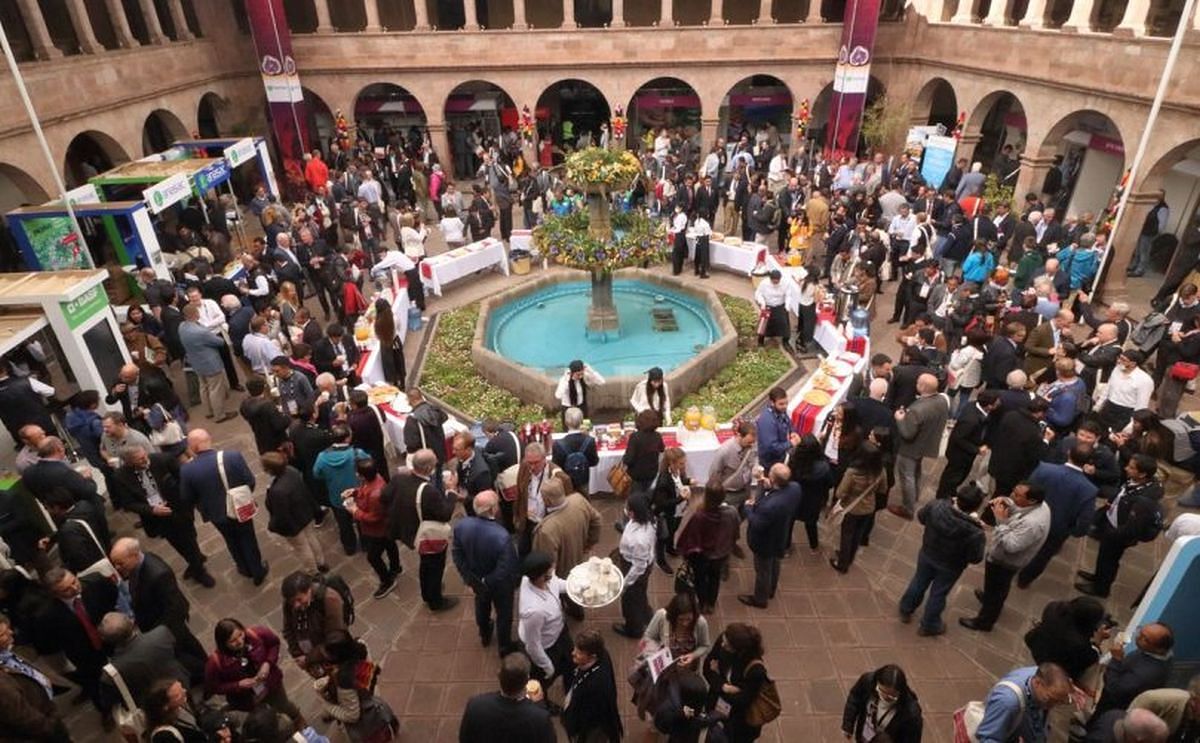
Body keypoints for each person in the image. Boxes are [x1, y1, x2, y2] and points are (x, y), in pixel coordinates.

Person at [108, 537, 207, 681]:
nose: (117, 567)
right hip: (156, 623)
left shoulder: (158, 574)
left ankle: (206, 675)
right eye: (115, 563)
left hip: (168, 628)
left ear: (134, 556)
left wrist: (159, 635)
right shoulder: (138, 565)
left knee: (185, 652)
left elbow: (175, 608)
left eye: (120, 563)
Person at [959, 482, 1052, 632]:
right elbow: (1018, 508)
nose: (1012, 495)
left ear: (1032, 500)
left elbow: (1011, 546)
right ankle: (989, 598)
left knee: (998, 587)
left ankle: (984, 621)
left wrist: (1000, 520)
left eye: (1016, 495)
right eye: (1013, 491)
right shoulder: (1038, 505)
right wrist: (1004, 501)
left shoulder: (1032, 524)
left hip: (1006, 562)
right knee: (995, 586)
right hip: (1004, 557)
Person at [179, 429, 268, 585]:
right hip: (239, 508)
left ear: (194, 447)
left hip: (216, 514)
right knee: (248, 538)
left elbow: (187, 498)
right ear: (209, 439)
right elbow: (250, 481)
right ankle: (257, 571)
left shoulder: (187, 470)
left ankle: (243, 568)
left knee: (230, 540)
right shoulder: (232, 456)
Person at [899, 486, 986, 636]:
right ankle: (929, 624)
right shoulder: (975, 531)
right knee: (938, 593)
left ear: (957, 498)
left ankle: (906, 609)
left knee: (918, 582)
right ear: (976, 506)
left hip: (928, 553)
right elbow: (975, 558)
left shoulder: (937, 506)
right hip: (951, 566)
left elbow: (921, 516)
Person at [32, 567, 117, 715]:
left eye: (74, 581)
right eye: (66, 589)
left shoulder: (95, 582)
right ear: (55, 594)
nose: (75, 588)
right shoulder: (46, 615)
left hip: (111, 640)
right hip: (83, 655)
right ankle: (106, 712)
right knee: (95, 685)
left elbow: (113, 594)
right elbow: (51, 640)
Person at [386, 448, 458, 612]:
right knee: (435, 566)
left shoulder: (399, 478)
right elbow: (445, 514)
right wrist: (451, 491)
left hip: (410, 531)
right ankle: (436, 601)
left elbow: (385, 496)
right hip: (426, 535)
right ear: (428, 468)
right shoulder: (428, 491)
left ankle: (427, 593)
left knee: (425, 564)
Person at [1019, 445, 1099, 588]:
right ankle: (1024, 580)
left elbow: (1026, 489)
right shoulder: (1089, 489)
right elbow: (1085, 521)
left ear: (1069, 453)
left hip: (1031, 517)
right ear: (1089, 462)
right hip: (1058, 529)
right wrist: (1072, 531)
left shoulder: (1044, 468)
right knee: (1042, 556)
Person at [452, 490, 520, 652]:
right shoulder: (502, 536)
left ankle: (484, 633)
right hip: (500, 585)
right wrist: (487, 581)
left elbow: (457, 553)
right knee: (504, 614)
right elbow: (506, 566)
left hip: (476, 579)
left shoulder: (462, 526)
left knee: (482, 605)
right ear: (493, 509)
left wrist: (469, 578)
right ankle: (504, 646)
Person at [204, 618, 303, 728]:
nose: (239, 641)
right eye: (232, 641)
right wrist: (238, 685)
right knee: (262, 719)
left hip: (271, 684)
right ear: (223, 643)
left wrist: (267, 663)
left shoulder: (257, 634)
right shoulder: (215, 663)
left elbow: (274, 644)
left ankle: (297, 719)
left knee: (284, 705)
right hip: (247, 698)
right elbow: (213, 687)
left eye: (240, 635)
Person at [531, 479, 601, 619]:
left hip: (563, 569)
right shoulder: (578, 500)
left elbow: (547, 563)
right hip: (579, 557)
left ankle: (567, 613)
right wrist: (589, 543)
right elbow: (597, 519)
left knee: (566, 591)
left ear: (547, 500)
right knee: (577, 588)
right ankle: (578, 611)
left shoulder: (547, 530)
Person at [96, 611, 189, 714]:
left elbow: (108, 701)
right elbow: (177, 654)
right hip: (181, 690)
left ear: (105, 640)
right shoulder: (161, 633)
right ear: (131, 622)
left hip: (153, 711)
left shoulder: (110, 674)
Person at [314, 631, 398, 743]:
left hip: (365, 716)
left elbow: (352, 715)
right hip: (372, 697)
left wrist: (326, 704)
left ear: (337, 657)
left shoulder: (344, 679)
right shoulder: (361, 647)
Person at [0, 612, 71, 742]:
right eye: (3, 634)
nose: (11, 633)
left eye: (8, 629)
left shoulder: (6, 653)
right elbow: (22, 717)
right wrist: (52, 724)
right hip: (43, 733)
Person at [888, 373, 950, 520]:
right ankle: (914, 496)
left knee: (906, 476)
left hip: (910, 448)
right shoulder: (941, 399)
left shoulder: (918, 409)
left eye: (918, 382)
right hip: (926, 443)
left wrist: (900, 419)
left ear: (922, 387)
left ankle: (908, 508)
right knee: (916, 471)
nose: (916, 384)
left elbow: (907, 433)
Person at [739, 463, 801, 609]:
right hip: (780, 535)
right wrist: (765, 483)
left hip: (764, 542)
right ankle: (771, 590)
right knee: (775, 563)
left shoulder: (770, 506)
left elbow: (757, 523)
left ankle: (760, 599)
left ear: (773, 479)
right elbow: (776, 493)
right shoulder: (794, 488)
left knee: (763, 570)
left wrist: (748, 508)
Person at [458, 652, 556, 743]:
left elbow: (465, 738)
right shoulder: (540, 718)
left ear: (499, 675)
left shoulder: (476, 705)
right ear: (527, 680)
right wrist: (538, 705)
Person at [675, 484, 740, 614]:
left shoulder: (700, 516)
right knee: (715, 578)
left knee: (700, 579)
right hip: (721, 554)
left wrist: (684, 552)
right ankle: (711, 604)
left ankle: (702, 602)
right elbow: (735, 530)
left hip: (702, 557)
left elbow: (690, 538)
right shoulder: (732, 512)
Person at [518, 551, 573, 697]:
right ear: (541, 576)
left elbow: (557, 584)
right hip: (546, 646)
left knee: (570, 664)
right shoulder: (533, 611)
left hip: (560, 632)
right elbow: (533, 645)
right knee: (541, 683)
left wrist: (574, 587)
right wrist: (547, 666)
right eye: (551, 569)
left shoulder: (544, 578)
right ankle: (543, 704)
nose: (554, 569)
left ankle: (571, 691)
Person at [973, 663, 1073, 743]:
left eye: (1058, 702)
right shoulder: (1007, 702)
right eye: (1050, 700)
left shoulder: (1039, 674)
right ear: (1038, 683)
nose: (1052, 706)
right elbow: (987, 737)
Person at [1093, 623, 1176, 718]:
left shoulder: (1146, 675)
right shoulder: (1162, 653)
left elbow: (1113, 689)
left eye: (1145, 639)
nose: (1138, 637)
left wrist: (1116, 660)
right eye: (1140, 631)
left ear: (1158, 649)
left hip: (1115, 708)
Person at [345, 458, 400, 599]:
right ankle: (395, 567)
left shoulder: (376, 495)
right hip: (387, 527)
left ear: (363, 475)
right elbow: (365, 488)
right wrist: (355, 492)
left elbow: (374, 518)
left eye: (358, 473)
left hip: (379, 530)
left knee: (373, 557)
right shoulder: (376, 479)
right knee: (390, 545)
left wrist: (354, 511)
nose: (356, 475)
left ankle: (387, 581)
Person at [262, 451, 326, 573]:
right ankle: (321, 562)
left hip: (294, 524)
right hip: (305, 513)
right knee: (311, 538)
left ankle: (313, 571)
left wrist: (275, 526)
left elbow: (281, 515)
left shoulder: (277, 491)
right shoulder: (292, 471)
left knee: (302, 547)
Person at [830, 443, 889, 573]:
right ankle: (849, 558)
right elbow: (883, 489)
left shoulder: (852, 472)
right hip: (869, 508)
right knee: (857, 534)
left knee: (846, 536)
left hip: (852, 508)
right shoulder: (881, 471)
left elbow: (840, 493)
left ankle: (842, 564)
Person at [313, 425, 368, 556]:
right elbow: (369, 463)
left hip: (337, 496)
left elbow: (316, 474)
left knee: (344, 525)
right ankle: (366, 544)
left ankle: (349, 548)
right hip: (357, 494)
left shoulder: (322, 457)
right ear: (347, 438)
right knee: (362, 522)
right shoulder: (356, 454)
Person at [711, 622, 770, 743]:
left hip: (741, 721)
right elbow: (707, 668)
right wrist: (725, 687)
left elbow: (742, 701)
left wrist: (718, 683)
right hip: (718, 705)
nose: (722, 645)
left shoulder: (756, 670)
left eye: (727, 646)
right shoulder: (725, 640)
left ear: (739, 651)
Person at [280, 571, 346, 677]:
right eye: (292, 601)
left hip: (333, 656)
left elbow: (335, 640)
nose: (296, 605)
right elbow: (288, 629)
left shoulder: (329, 600)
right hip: (310, 660)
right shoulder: (289, 603)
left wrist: (308, 658)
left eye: (299, 599)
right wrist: (297, 654)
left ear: (309, 590)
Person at [562, 629, 623, 743]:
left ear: (593, 656)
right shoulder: (602, 654)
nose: (573, 653)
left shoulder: (596, 686)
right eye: (575, 648)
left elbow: (588, 717)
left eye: (579, 652)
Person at [936, 389, 998, 499]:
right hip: (959, 454)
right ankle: (942, 497)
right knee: (952, 477)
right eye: (996, 403)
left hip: (967, 453)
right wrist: (977, 450)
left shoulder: (974, 405)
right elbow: (959, 438)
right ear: (989, 406)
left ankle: (951, 491)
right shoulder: (971, 420)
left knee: (961, 475)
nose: (998, 404)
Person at [178, 304, 235, 422]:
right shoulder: (200, 332)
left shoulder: (182, 327)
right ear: (194, 314)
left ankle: (209, 411)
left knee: (203, 387)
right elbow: (219, 342)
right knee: (215, 389)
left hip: (196, 362)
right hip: (210, 363)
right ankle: (219, 415)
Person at [842, 665, 924, 743]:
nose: (885, 698)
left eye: (892, 696)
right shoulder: (868, 681)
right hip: (864, 735)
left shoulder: (911, 714)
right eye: (881, 691)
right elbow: (855, 697)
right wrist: (848, 725)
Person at [613, 493, 655, 639]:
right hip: (635, 560)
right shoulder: (646, 520)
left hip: (634, 567)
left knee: (630, 600)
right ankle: (646, 615)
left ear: (632, 512)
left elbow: (638, 567)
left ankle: (634, 628)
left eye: (627, 507)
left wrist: (625, 584)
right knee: (640, 595)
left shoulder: (640, 540)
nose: (625, 509)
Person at [787, 433, 834, 553]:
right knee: (811, 523)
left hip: (794, 497)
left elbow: (788, 477)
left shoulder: (794, 460)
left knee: (789, 522)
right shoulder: (823, 467)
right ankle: (814, 546)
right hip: (813, 500)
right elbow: (830, 483)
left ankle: (785, 547)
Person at [1096, 350, 1154, 434]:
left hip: (1125, 413)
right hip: (1109, 407)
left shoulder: (1145, 380)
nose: (1119, 361)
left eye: (1123, 360)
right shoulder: (1116, 369)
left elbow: (1141, 405)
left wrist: (1131, 425)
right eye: (1119, 358)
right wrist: (1098, 406)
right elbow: (1108, 388)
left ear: (1133, 364)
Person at [552, 407, 599, 496]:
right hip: (583, 479)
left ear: (566, 422)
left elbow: (556, 466)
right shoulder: (590, 441)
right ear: (581, 421)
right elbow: (594, 462)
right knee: (584, 502)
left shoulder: (558, 444)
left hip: (566, 482)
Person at [709, 421, 757, 507]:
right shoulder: (724, 451)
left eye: (753, 442)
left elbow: (753, 465)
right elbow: (714, 474)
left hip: (746, 491)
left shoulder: (751, 447)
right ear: (739, 435)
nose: (752, 445)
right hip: (729, 495)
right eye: (749, 442)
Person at [142, 678, 206, 742]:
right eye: (178, 695)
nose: (185, 691)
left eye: (182, 688)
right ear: (165, 706)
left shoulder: (182, 706)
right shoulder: (163, 736)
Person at [239, 376, 291, 455]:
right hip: (276, 442)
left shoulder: (245, 404)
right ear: (264, 387)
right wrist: (287, 417)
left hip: (261, 441)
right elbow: (279, 425)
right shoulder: (267, 405)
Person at [623, 409, 665, 498]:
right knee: (649, 498)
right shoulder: (657, 436)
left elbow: (629, 459)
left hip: (636, 475)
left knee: (636, 499)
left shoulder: (635, 437)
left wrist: (624, 458)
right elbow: (662, 449)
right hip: (651, 473)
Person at [402, 388, 448, 467]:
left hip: (425, 459)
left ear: (411, 400)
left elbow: (410, 443)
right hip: (439, 453)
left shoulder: (412, 419)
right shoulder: (434, 409)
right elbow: (444, 417)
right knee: (438, 475)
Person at [756, 387, 798, 471]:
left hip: (780, 453)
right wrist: (790, 444)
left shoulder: (780, 410)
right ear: (772, 403)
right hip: (770, 461)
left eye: (786, 403)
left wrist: (792, 431)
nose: (785, 406)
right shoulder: (767, 421)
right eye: (781, 404)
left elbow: (787, 420)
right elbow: (771, 447)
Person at [555, 360, 605, 427]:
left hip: (582, 408)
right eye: (578, 374)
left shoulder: (584, 377)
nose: (580, 376)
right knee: (569, 430)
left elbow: (602, 382)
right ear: (572, 373)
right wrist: (566, 380)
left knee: (586, 428)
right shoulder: (564, 380)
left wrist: (591, 371)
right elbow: (558, 395)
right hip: (569, 410)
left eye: (582, 374)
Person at [754, 270, 793, 351]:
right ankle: (760, 342)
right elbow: (758, 294)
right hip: (767, 306)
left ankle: (786, 341)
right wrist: (762, 303)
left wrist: (787, 305)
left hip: (780, 305)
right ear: (770, 279)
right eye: (773, 281)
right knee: (764, 325)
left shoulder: (786, 283)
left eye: (777, 281)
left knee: (785, 324)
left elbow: (788, 295)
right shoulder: (764, 283)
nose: (775, 283)